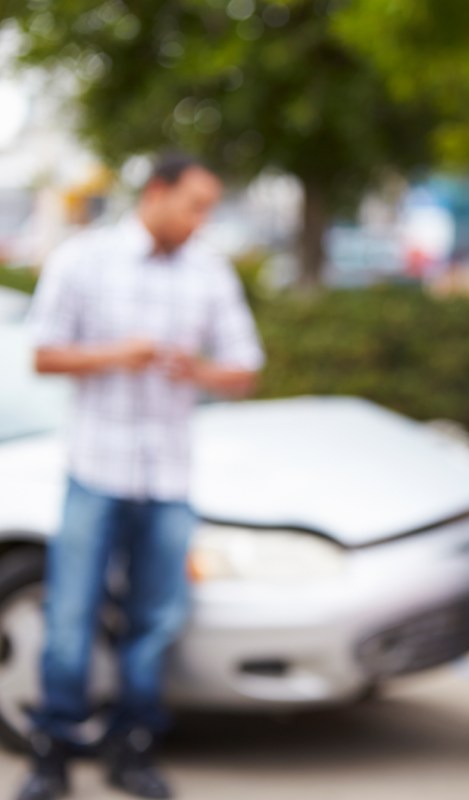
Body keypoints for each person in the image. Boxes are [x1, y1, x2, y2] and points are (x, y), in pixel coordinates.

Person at [17, 153, 264, 800]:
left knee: (156, 619)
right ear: (157, 194)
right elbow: (41, 355)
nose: (201, 220)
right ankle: (53, 752)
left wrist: (198, 371)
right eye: (194, 205)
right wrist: (117, 354)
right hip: (95, 468)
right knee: (70, 614)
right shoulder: (84, 258)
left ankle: (133, 747)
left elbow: (244, 368)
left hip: (169, 478)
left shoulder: (209, 271)